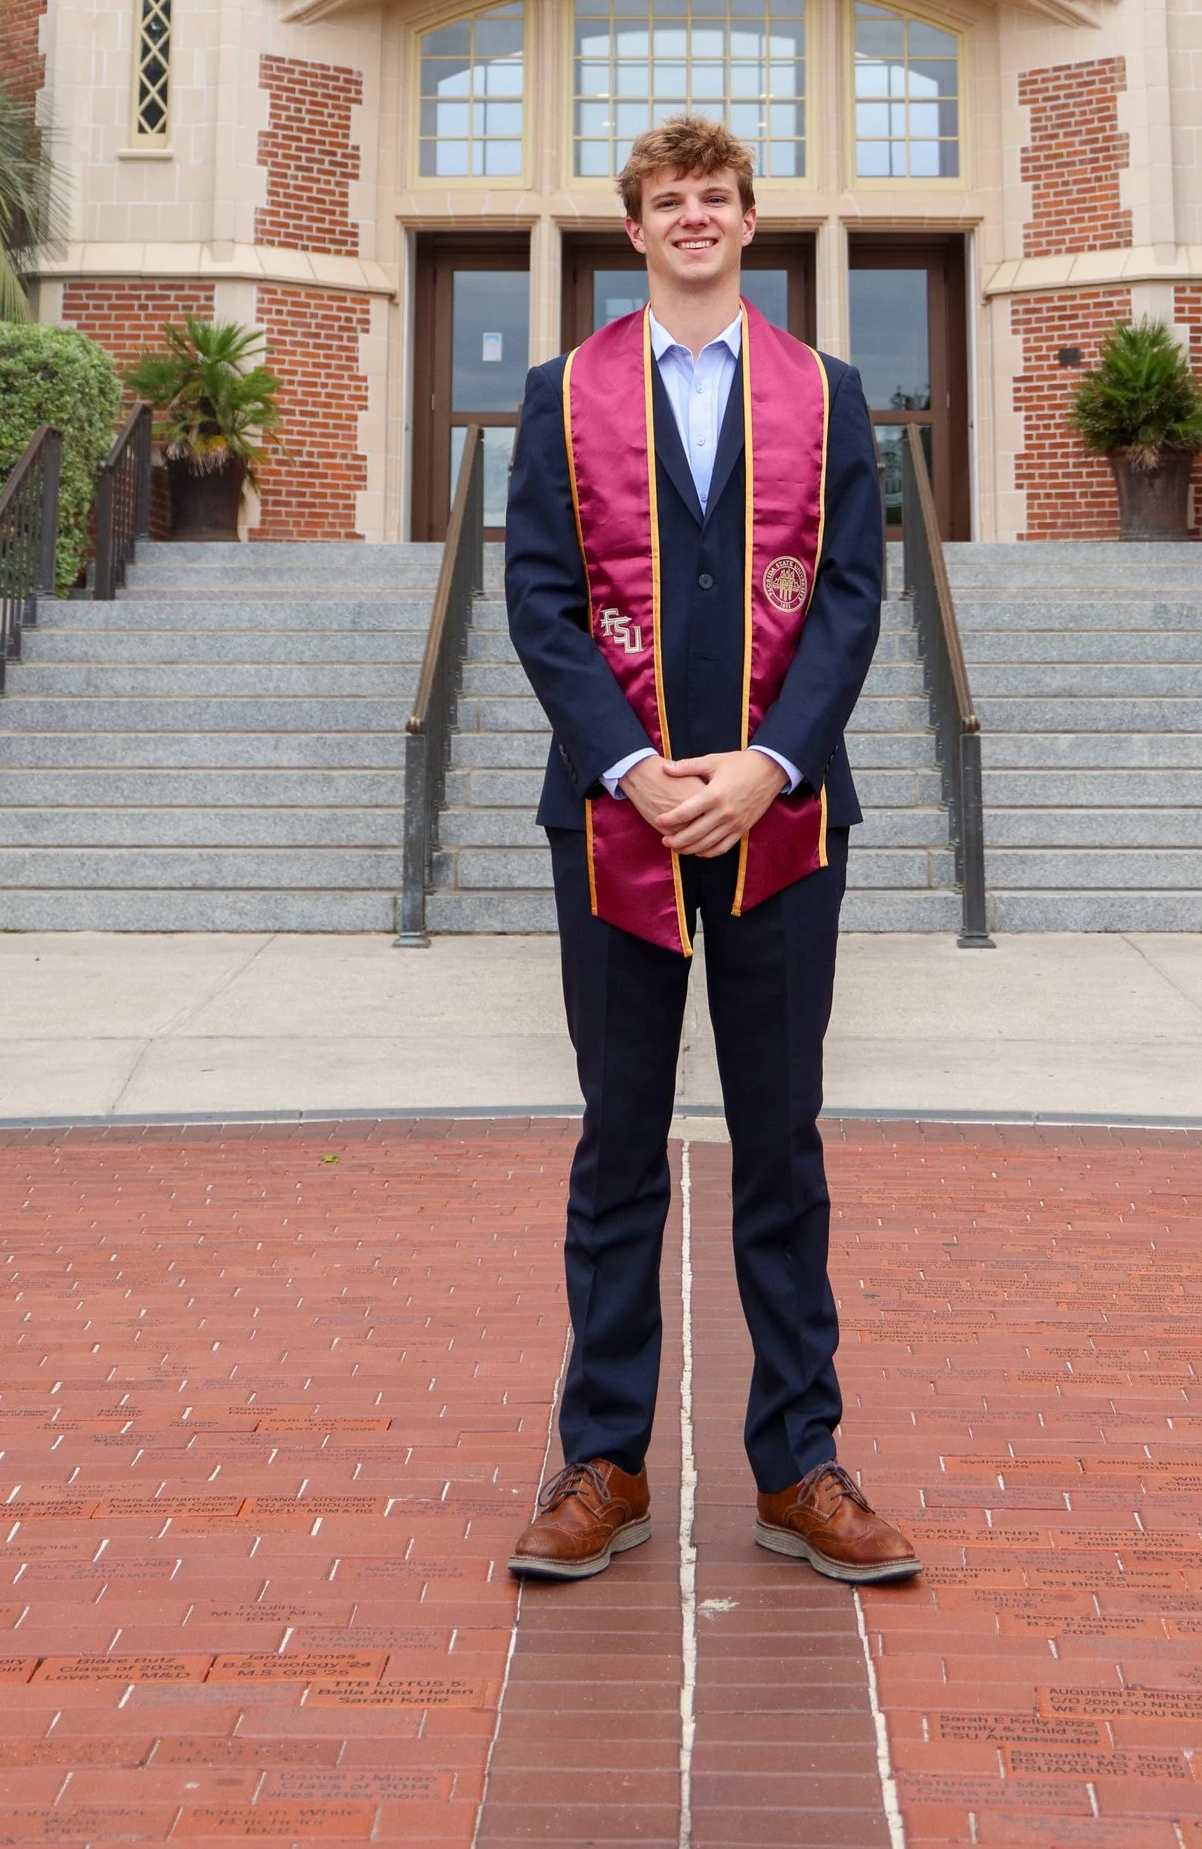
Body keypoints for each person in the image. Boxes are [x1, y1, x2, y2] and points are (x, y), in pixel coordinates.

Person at [499, 111, 920, 1589]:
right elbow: (540, 602)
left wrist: (766, 765)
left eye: (716, 199)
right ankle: (603, 1459)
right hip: (611, 821)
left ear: (753, 224)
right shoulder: (561, 397)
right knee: (620, 1149)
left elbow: (856, 600)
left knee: (781, 1147)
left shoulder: (828, 394)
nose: (693, 218)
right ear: (635, 232)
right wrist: (628, 768)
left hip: (783, 823)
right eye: (668, 200)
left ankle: (799, 1462)